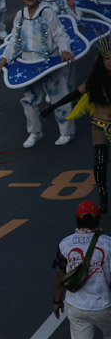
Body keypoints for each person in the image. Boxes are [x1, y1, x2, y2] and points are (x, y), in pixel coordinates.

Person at [0, 0, 75, 148]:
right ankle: (35, 132)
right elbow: (14, 40)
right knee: (29, 100)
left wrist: (64, 50)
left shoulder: (47, 13)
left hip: (49, 63)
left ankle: (66, 132)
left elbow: (60, 34)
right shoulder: (20, 15)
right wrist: (5, 58)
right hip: (30, 65)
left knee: (59, 98)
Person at [53, 200, 111, 339]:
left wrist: (57, 302)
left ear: (77, 219)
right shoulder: (107, 243)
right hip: (105, 305)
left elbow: (60, 275)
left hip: (77, 306)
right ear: (98, 219)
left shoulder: (65, 243)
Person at [41, 43, 111, 212]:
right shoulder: (94, 80)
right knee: (100, 162)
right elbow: (74, 94)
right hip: (99, 125)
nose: (110, 61)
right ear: (101, 60)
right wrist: (53, 106)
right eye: (107, 58)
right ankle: (103, 194)